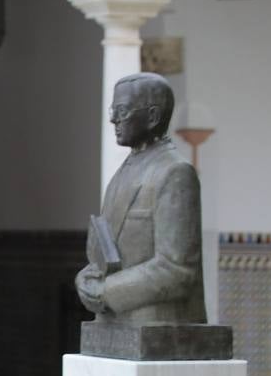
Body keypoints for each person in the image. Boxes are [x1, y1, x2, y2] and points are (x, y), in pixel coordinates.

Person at [75, 73, 205, 324]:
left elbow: (177, 269)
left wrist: (106, 292)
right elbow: (106, 252)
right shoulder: (123, 171)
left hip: (157, 327)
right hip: (116, 325)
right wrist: (86, 277)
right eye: (113, 110)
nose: (113, 119)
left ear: (153, 117)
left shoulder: (174, 172)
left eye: (122, 111)